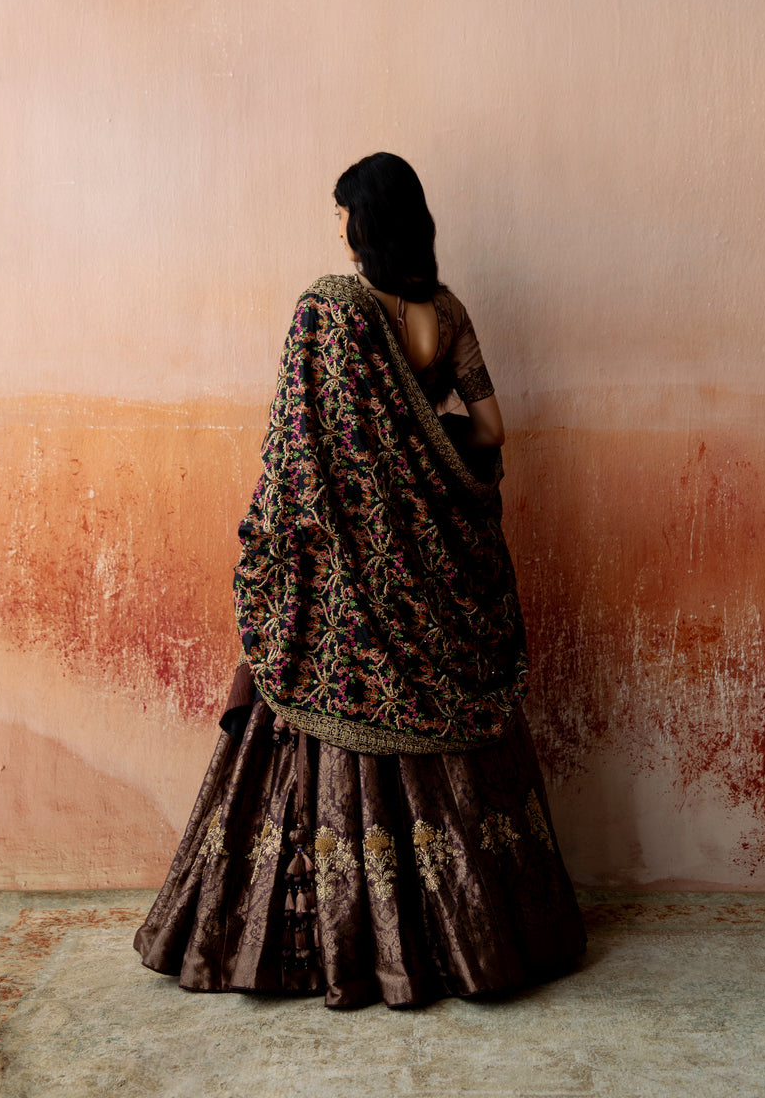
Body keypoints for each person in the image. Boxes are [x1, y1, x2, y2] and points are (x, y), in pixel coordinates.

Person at [134, 153, 586, 1008]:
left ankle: (344, 951)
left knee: (333, 703)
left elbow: (300, 457)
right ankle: (471, 942)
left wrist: (317, 519)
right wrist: (424, 465)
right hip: (436, 570)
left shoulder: (328, 314)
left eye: (341, 213)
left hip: (343, 578)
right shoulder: (447, 316)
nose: (335, 228)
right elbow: (490, 429)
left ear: (363, 221)